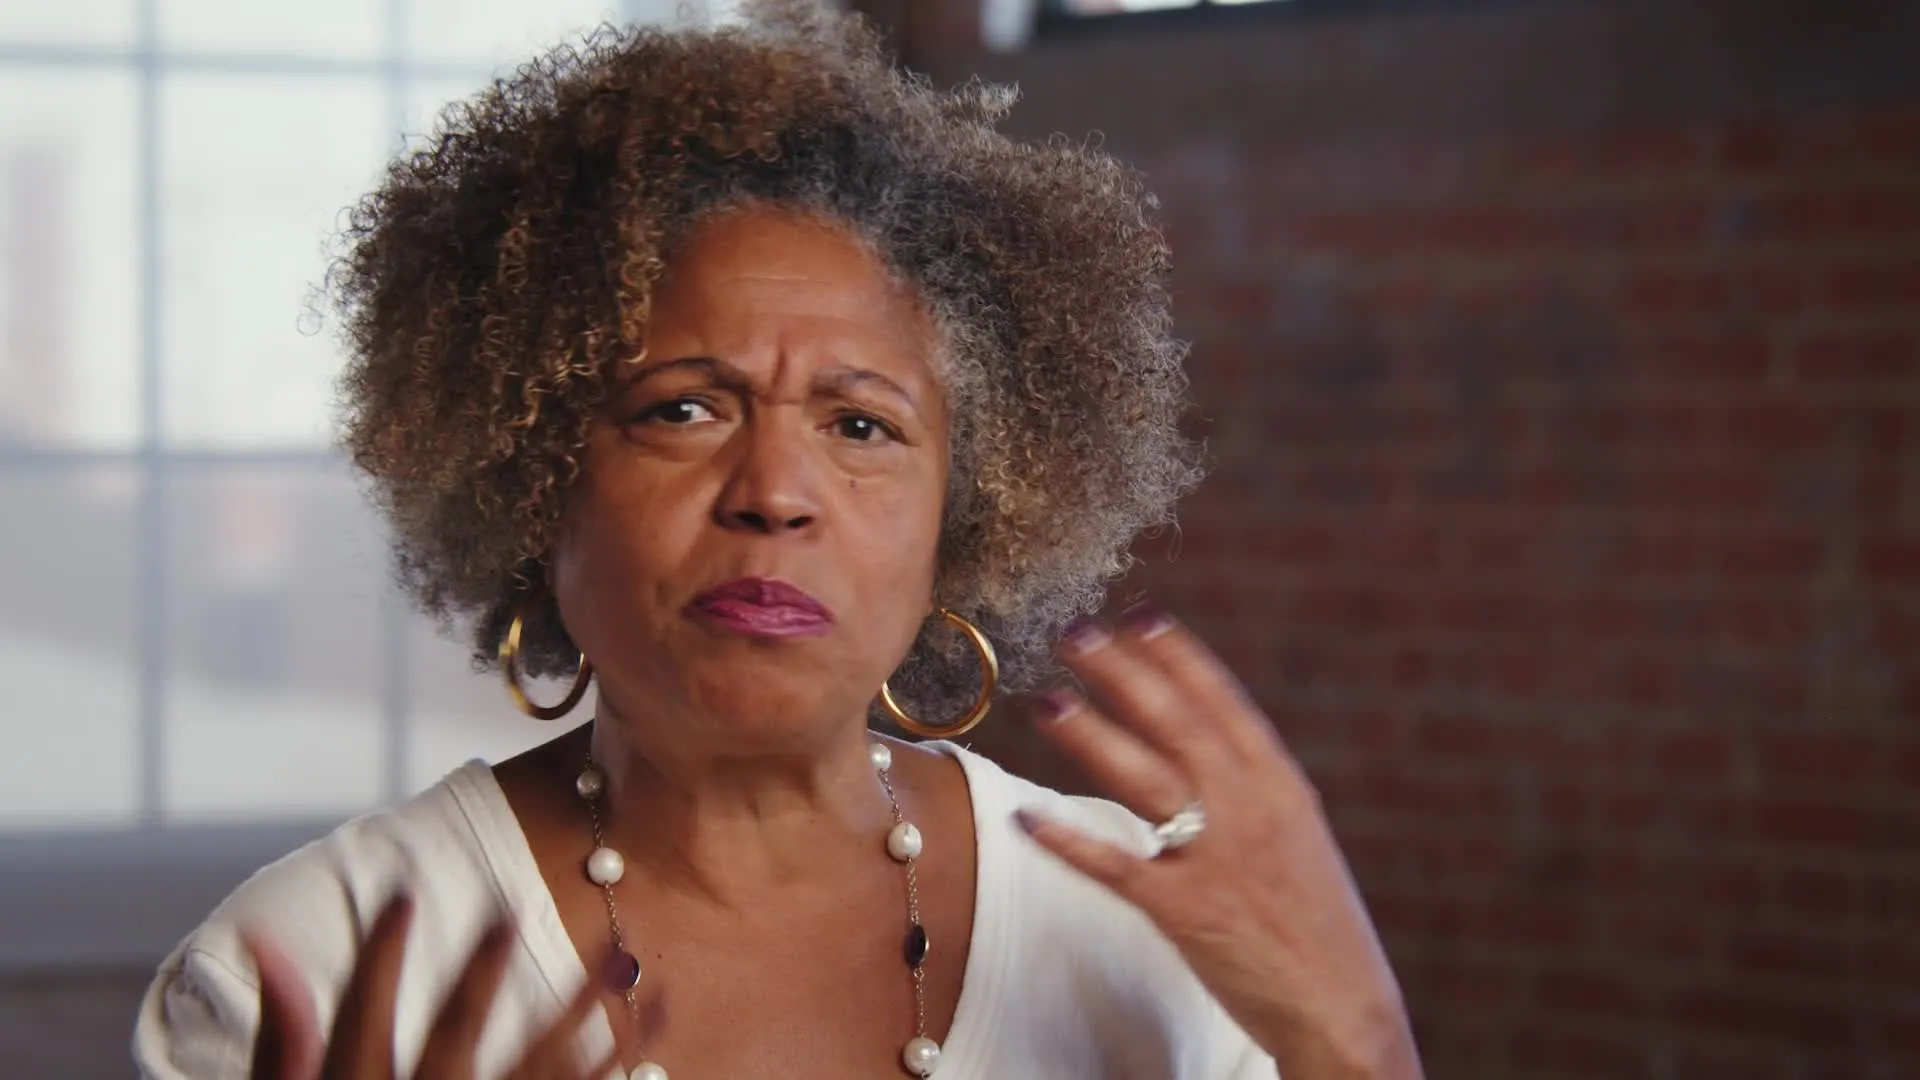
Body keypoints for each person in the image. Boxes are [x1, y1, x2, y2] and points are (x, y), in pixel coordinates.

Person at [133, 4, 1424, 1078]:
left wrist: (1350, 1038)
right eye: (682, 409)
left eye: (861, 425)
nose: (775, 491)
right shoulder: (310, 962)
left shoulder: (1156, 931)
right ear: (535, 483)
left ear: (960, 515)